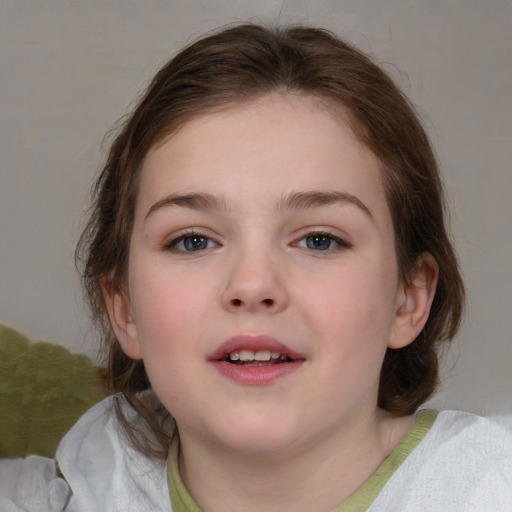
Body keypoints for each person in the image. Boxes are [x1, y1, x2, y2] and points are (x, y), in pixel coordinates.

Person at [2, 23, 511, 512]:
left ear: (409, 297)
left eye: (318, 239)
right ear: (124, 308)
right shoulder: (72, 490)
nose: (252, 285)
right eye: (193, 240)